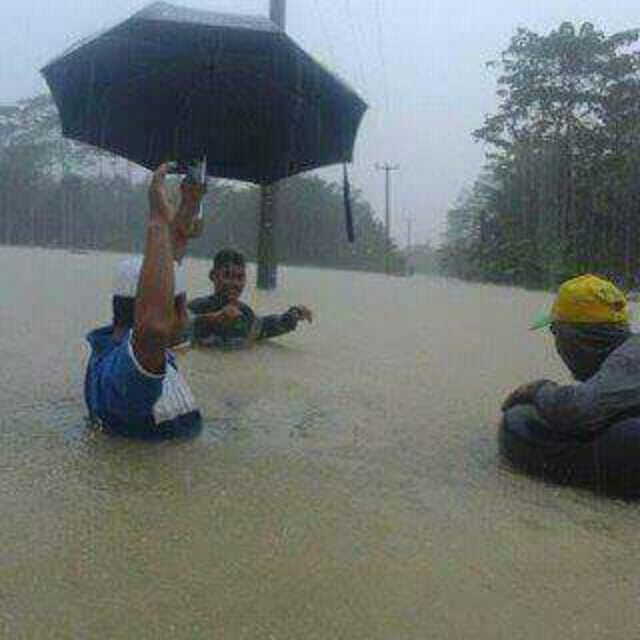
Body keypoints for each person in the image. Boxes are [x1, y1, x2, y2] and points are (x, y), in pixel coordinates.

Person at [84, 164, 207, 439]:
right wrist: (157, 220)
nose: (186, 316)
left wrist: (189, 203)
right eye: (182, 306)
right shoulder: (123, 374)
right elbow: (152, 328)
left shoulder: (124, 354)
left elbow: (166, 266)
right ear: (168, 310)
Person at [501, 274, 640, 434]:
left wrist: (537, 390)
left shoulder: (629, 360)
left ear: (574, 338)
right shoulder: (630, 358)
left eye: (555, 331)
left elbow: (577, 410)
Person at [188, 248, 313, 349]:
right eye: (227, 276)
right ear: (213, 276)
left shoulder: (246, 315)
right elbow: (177, 330)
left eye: (240, 277)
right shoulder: (196, 308)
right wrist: (212, 319)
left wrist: (294, 313)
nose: (234, 283)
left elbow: (267, 326)